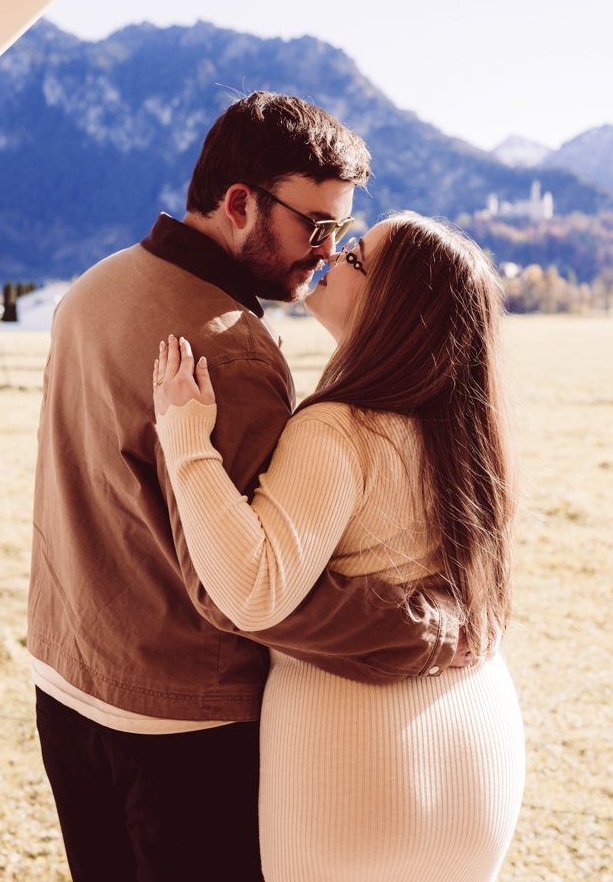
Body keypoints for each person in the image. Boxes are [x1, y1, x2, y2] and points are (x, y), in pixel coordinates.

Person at [28, 93, 464, 881]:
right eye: (319, 226)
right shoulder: (230, 351)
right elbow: (248, 584)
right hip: (180, 729)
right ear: (240, 205)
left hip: (65, 685)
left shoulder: (92, 288)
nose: (326, 251)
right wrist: (423, 630)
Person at [152, 214, 527, 882]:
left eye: (354, 255)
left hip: (355, 771)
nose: (330, 252)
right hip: (479, 750)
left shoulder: (337, 430)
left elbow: (256, 590)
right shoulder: (469, 434)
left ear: (393, 305)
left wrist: (187, 444)